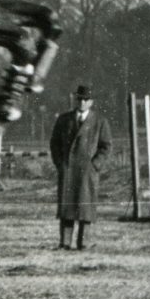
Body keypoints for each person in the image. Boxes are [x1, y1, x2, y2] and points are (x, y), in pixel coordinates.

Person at [50, 85, 111, 251]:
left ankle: (84, 243)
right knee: (67, 207)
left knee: (85, 208)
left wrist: (94, 165)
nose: (82, 102)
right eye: (79, 99)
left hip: (87, 172)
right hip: (68, 170)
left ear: (91, 102)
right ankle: (64, 243)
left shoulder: (100, 121)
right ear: (75, 100)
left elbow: (106, 147)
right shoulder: (63, 119)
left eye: (86, 99)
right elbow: (54, 144)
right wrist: (60, 164)